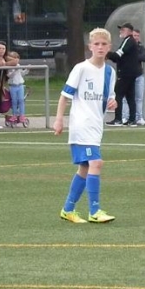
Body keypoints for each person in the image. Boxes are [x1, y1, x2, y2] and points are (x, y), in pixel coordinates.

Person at [54, 27, 117, 225]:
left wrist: (113, 102)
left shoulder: (110, 72)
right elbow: (65, 96)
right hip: (82, 125)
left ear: (109, 47)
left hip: (96, 125)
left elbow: (110, 97)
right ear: (90, 46)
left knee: (84, 168)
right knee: (96, 163)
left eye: (103, 44)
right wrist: (59, 119)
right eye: (96, 44)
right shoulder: (81, 68)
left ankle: (68, 209)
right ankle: (94, 211)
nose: (100, 47)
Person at [106, 23, 143, 126]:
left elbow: (118, 55)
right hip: (131, 73)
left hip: (125, 73)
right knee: (130, 96)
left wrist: (106, 54)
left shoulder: (128, 40)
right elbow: (119, 57)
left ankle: (118, 119)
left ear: (129, 31)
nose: (120, 31)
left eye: (123, 30)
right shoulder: (130, 41)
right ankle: (132, 119)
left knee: (118, 94)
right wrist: (111, 56)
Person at [120, 29, 145, 126]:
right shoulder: (126, 46)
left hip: (139, 75)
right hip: (128, 75)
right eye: (134, 36)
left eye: (137, 36)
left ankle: (139, 117)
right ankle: (125, 117)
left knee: (139, 98)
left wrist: (133, 57)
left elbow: (144, 57)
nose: (135, 38)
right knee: (126, 98)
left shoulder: (141, 47)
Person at [6, 50, 28, 125]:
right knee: (14, 101)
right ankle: (14, 115)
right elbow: (9, 75)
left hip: (20, 85)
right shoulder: (8, 66)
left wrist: (27, 69)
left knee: (21, 100)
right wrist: (14, 71)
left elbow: (22, 73)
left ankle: (22, 115)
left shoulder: (18, 65)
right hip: (13, 86)